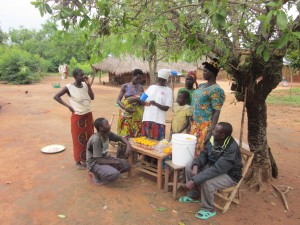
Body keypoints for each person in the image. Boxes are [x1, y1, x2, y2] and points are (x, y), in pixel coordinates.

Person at [179, 122, 243, 220]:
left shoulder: (231, 148)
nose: (212, 132)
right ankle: (194, 194)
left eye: (215, 131)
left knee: (208, 182)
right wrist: (196, 165)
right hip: (212, 166)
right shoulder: (214, 138)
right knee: (189, 167)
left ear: (222, 135)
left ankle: (208, 209)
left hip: (229, 174)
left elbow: (218, 169)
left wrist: (194, 180)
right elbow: (204, 154)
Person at [54, 68, 95, 170]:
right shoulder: (69, 87)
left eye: (83, 74)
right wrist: (68, 106)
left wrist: (89, 85)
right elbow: (56, 96)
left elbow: (92, 97)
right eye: (81, 75)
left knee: (89, 137)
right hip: (78, 116)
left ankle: (86, 159)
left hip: (88, 115)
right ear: (75, 77)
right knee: (78, 139)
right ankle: (78, 161)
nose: (83, 76)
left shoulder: (85, 85)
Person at [190, 58, 225, 156]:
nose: (203, 73)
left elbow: (216, 112)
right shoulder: (201, 86)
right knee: (191, 149)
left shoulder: (216, 90)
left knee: (200, 151)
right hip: (194, 124)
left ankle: (198, 170)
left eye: (205, 71)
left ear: (212, 73)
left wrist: (210, 131)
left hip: (204, 126)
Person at [86, 118, 131, 185]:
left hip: (105, 158)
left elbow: (120, 138)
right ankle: (98, 178)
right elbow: (99, 160)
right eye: (107, 124)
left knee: (127, 165)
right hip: (94, 163)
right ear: (101, 128)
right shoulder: (96, 140)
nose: (109, 125)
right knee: (114, 173)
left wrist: (128, 145)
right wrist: (115, 162)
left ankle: (105, 171)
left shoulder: (107, 133)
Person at [116, 69, 144, 157]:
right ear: (133, 76)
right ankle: (122, 158)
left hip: (137, 116)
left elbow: (143, 102)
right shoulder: (125, 86)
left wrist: (138, 100)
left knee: (135, 135)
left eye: (140, 79)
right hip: (126, 115)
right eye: (137, 78)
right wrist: (126, 108)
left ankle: (133, 158)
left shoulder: (141, 88)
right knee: (124, 135)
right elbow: (118, 100)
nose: (138, 80)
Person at [141, 69, 173, 140]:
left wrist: (155, 103)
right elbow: (142, 100)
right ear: (157, 79)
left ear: (166, 80)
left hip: (159, 121)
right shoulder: (151, 87)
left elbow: (166, 108)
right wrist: (146, 103)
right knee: (144, 142)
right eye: (159, 80)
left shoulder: (168, 90)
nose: (161, 82)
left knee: (157, 144)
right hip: (147, 118)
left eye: (163, 80)